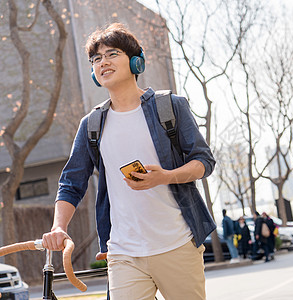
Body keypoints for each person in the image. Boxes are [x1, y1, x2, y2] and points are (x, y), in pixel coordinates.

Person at [42, 23, 216, 300]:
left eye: (112, 54)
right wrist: (58, 227)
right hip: (123, 252)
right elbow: (71, 182)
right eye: (96, 59)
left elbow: (204, 161)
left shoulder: (170, 107)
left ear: (136, 62)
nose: (103, 62)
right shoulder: (92, 124)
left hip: (177, 243)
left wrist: (166, 176)